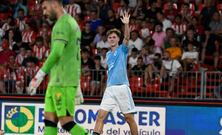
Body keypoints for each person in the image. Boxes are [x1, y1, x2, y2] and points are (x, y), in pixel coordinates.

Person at [27, 1, 87, 135]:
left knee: (66, 122)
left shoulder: (63, 24)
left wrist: (39, 75)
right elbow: (73, 54)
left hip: (63, 81)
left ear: (54, 3)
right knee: (49, 121)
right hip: (57, 81)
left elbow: (57, 53)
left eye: (45, 8)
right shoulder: (72, 23)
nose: (44, 12)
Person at [93, 11, 138, 135]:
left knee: (129, 119)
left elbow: (127, 38)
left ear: (118, 39)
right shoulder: (107, 54)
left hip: (122, 88)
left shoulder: (122, 50)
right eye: (110, 37)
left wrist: (126, 24)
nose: (112, 39)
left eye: (114, 37)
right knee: (100, 116)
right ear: (107, 40)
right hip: (110, 89)